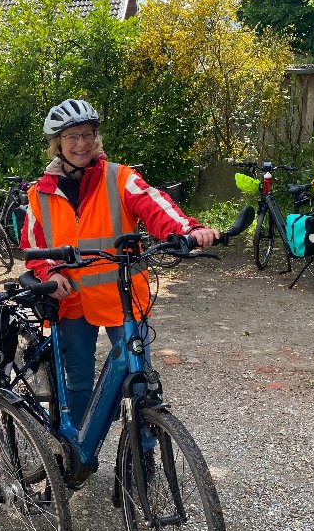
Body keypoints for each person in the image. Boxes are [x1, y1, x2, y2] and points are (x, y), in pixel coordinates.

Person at [21, 98, 219, 429]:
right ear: (57, 144)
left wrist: (189, 230)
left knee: (137, 380)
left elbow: (155, 205)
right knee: (79, 380)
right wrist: (51, 272)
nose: (81, 143)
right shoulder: (39, 194)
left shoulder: (119, 178)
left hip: (123, 298)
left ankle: (141, 456)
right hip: (72, 302)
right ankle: (80, 450)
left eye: (88, 134)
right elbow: (33, 245)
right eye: (72, 137)